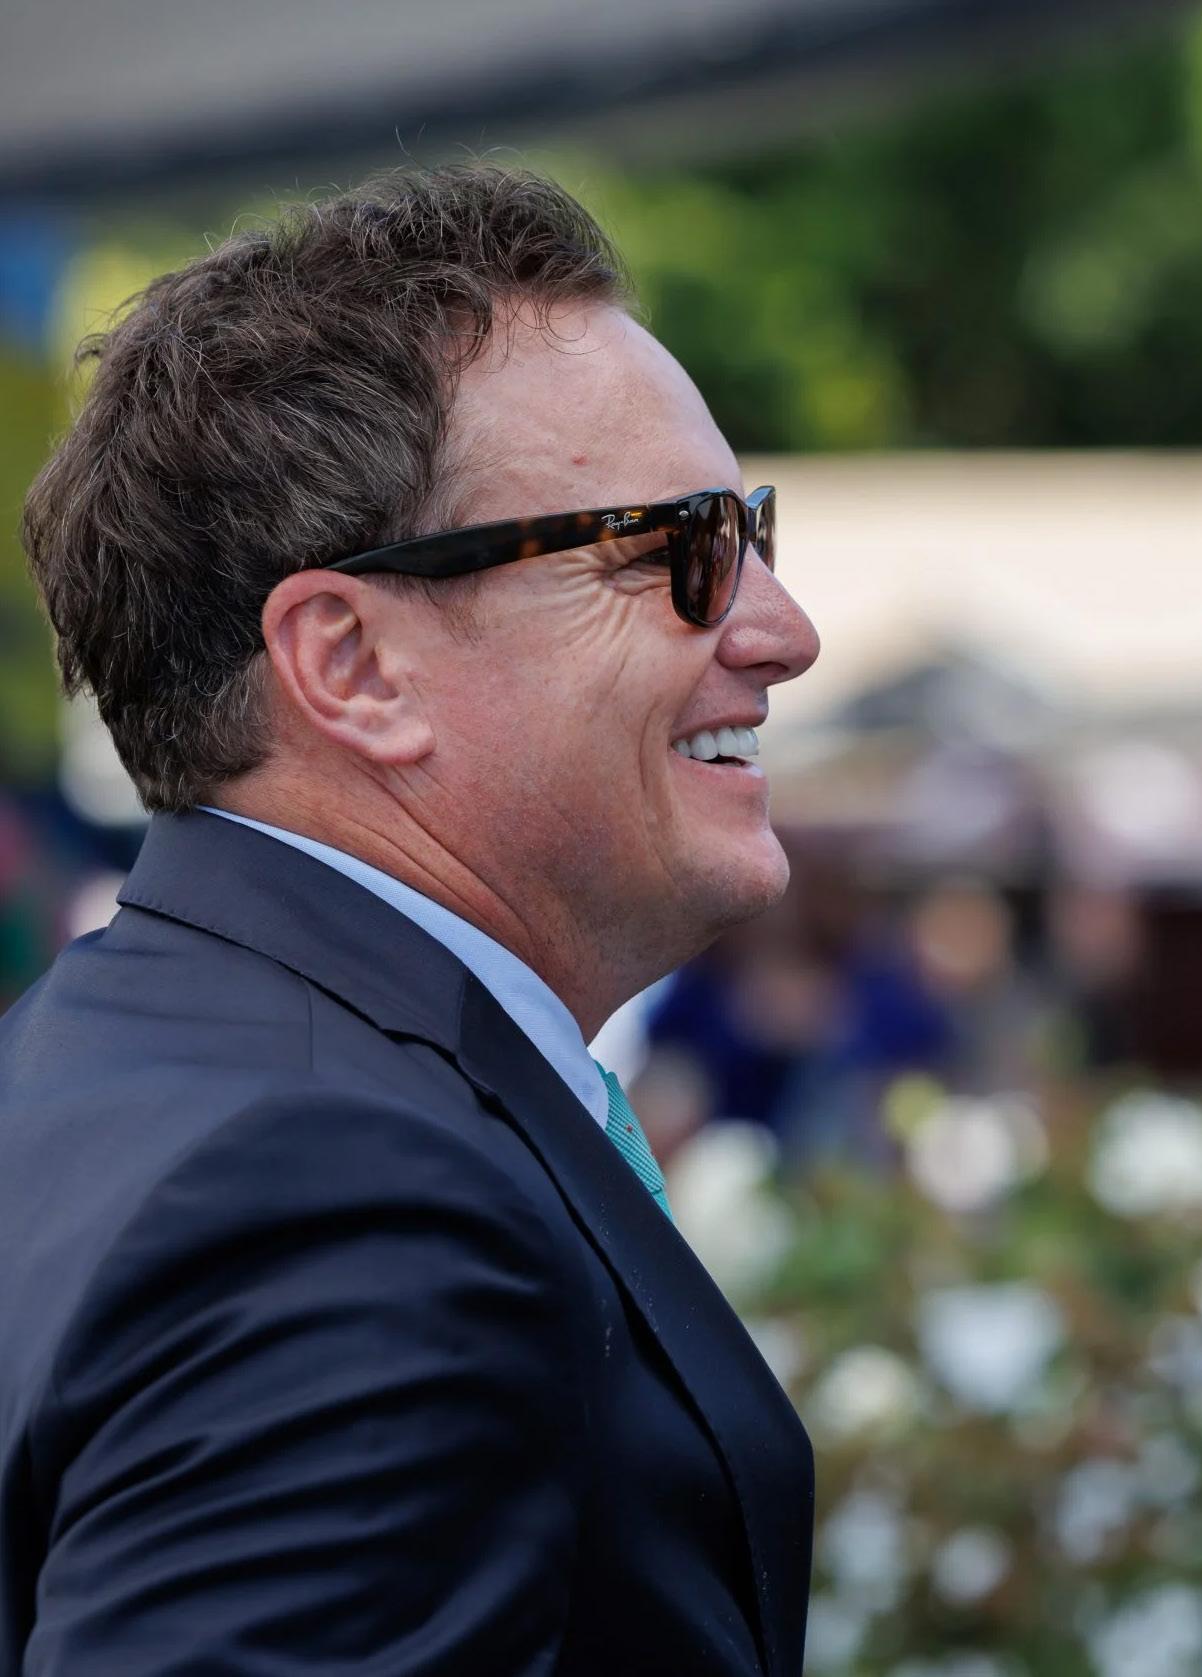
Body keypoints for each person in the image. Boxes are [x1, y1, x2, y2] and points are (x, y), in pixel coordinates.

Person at [0, 165, 821, 1674]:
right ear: (353, 665)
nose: (781, 631)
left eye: (753, 531)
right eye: (677, 552)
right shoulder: (340, 1198)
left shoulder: (103, 1065)